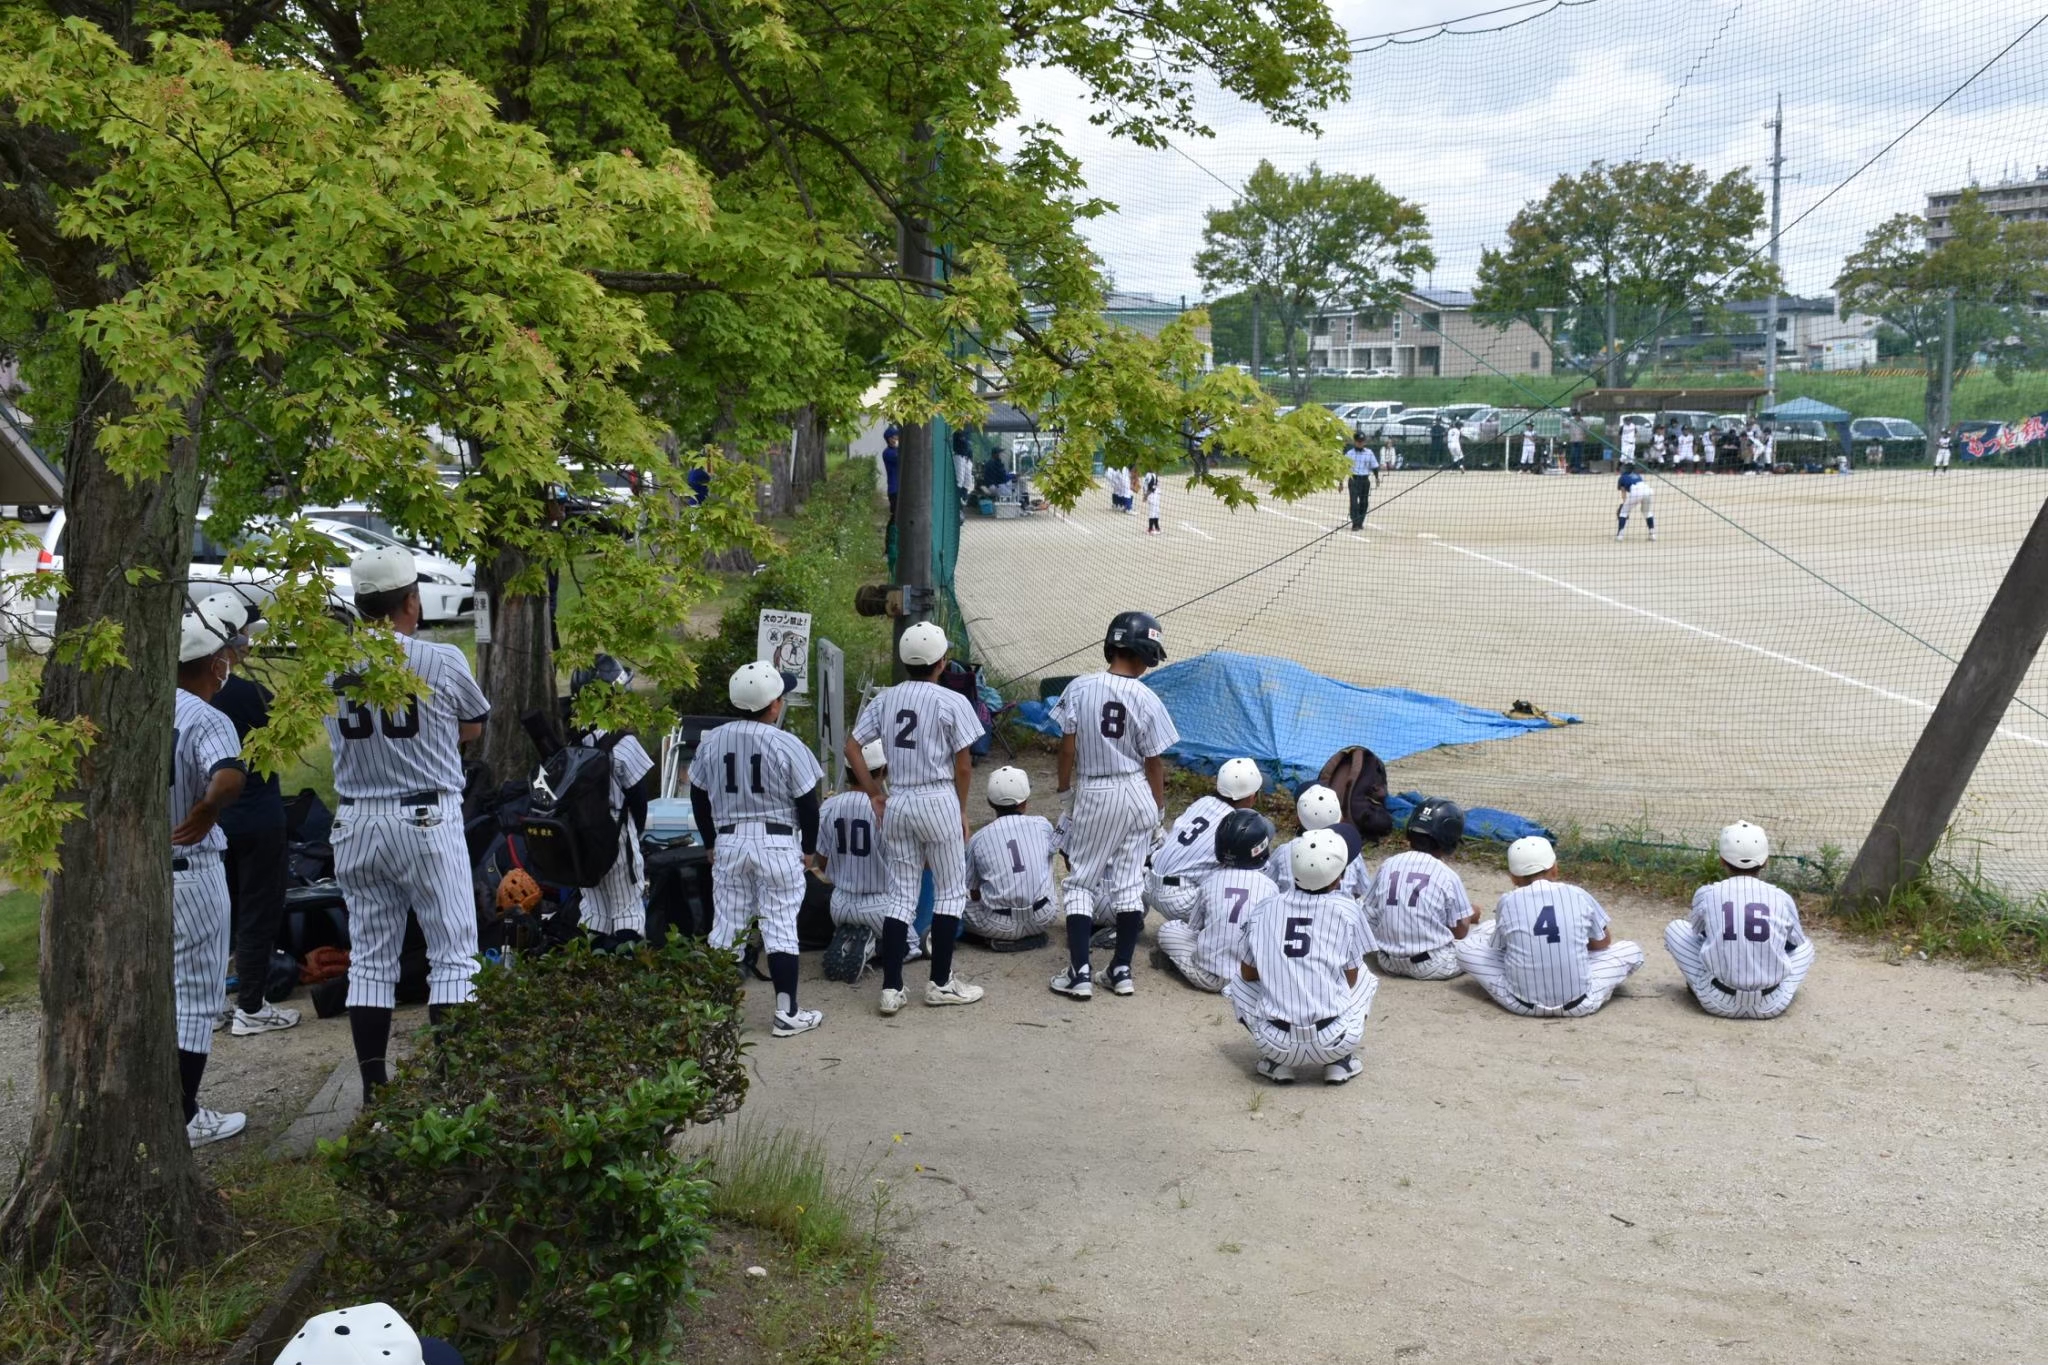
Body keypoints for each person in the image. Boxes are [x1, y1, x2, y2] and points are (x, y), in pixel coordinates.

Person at [327, 546, 490, 1103]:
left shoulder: (330, 662)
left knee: (371, 960)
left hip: (355, 818)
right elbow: (473, 727)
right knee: (452, 954)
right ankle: (452, 1087)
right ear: (410, 603)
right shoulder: (440, 659)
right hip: (424, 813)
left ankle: (375, 1091)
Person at [846, 621, 987, 1015]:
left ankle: (892, 988)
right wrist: (960, 808)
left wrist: (875, 793)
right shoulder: (951, 701)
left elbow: (852, 746)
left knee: (902, 895)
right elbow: (963, 766)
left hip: (900, 799)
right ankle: (940, 982)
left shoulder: (887, 698)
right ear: (942, 662)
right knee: (950, 891)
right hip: (937, 796)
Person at [691, 660, 825, 1036]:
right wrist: (810, 850)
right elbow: (807, 803)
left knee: (727, 928)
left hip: (730, 839)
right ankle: (786, 1014)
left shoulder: (712, 740)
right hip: (777, 841)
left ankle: (715, 1014)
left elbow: (698, 795)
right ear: (773, 705)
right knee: (780, 926)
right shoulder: (786, 742)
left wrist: (710, 841)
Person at [1051, 611, 1178, 1000]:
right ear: (1143, 654)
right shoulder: (1148, 697)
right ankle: (1121, 971)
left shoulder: (1079, 687)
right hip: (1137, 791)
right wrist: (1157, 809)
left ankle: (1079, 974)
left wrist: (1063, 789)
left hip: (1096, 791)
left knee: (1080, 883)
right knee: (1127, 885)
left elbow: (1067, 746)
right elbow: (1154, 762)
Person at [173, 599, 251, 1147]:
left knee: (154, 996)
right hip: (191, 870)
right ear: (213, 662)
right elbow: (228, 777)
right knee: (196, 1000)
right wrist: (205, 810)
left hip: (133, 874)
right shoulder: (207, 716)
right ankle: (183, 1117)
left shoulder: (136, 706)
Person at [203, 595, 297, 1038]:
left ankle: (213, 1003)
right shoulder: (252, 694)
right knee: (258, 911)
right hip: (257, 815)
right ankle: (251, 1005)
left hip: (211, 821)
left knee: (220, 913)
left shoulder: (187, 696)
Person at [1225, 829, 1377, 1085]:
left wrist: (1283, 977)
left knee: (1237, 983)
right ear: (1338, 878)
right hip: (1335, 1039)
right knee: (1364, 976)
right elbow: (1351, 979)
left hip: (1275, 1042)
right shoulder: (1347, 910)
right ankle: (1340, 1062)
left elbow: (1248, 974)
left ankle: (1277, 1064)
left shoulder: (1264, 908)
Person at [1457, 836, 1644, 1017]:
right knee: (1631, 950)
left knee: (1464, 948)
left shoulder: (1508, 900)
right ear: (1555, 869)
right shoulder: (1578, 894)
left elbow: (1500, 948)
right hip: (1581, 1004)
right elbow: (1602, 943)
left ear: (1514, 878)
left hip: (1520, 1005)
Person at [1665, 821, 1815, 1020]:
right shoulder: (1781, 897)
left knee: (1675, 928)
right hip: (1771, 1004)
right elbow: (1794, 943)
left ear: (1722, 860)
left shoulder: (1708, 893)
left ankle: (1698, 986)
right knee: (1807, 947)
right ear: (1766, 861)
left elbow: (1698, 933)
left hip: (1716, 1001)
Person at [566, 656, 655, 944]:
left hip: (580, 835)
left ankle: (593, 976)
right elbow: (639, 797)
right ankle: (623, 977)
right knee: (627, 906)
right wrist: (635, 834)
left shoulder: (572, 740)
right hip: (615, 830)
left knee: (595, 910)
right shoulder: (621, 741)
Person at [1157, 809, 1277, 992]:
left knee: (1169, 929)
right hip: (1249, 978)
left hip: (1206, 976)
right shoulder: (1270, 887)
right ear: (1260, 849)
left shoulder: (1211, 881)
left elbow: (1194, 927)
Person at [1366, 797, 1476, 980]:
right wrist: (1471, 915)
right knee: (1485, 932)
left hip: (1387, 963)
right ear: (1450, 839)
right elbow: (1460, 931)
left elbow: (1368, 914)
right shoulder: (1447, 875)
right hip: (1431, 966)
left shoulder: (1388, 865)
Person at [1146, 757, 1264, 920]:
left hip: (1147, 883)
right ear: (1252, 797)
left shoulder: (1204, 802)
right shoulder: (1235, 826)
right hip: (1179, 900)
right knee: (1241, 875)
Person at [963, 765, 1059, 949]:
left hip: (998, 925)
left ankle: (990, 940)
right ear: (1025, 801)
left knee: (951, 907)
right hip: (1044, 917)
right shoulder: (1042, 825)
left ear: (990, 803)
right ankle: (1030, 936)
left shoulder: (978, 839)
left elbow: (974, 893)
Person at [818, 739, 891, 980]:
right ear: (882, 771)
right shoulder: (887, 809)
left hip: (838, 905)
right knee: (910, 944)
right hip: (880, 906)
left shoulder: (829, 806)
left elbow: (822, 862)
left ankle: (848, 941)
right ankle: (873, 949)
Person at [1266, 784, 1371, 901]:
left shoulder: (1284, 851)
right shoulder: (1350, 850)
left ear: (1298, 819)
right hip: (1340, 913)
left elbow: (1267, 883)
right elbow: (1361, 891)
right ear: (1340, 817)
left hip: (1286, 913)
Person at [1346, 431, 1380, 530]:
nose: (1360, 443)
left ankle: (1360, 521)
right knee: (1353, 502)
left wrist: (1377, 478)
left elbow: (1374, 466)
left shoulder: (1369, 453)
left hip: (1365, 480)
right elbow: (1343, 468)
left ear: (1364, 442)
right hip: (1353, 479)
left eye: (1362, 441)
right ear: (1355, 442)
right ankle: (1355, 523)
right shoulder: (1349, 454)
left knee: (1364, 502)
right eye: (1358, 441)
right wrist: (1340, 482)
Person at [1616, 465, 1655, 541]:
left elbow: (1623, 492)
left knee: (1623, 512)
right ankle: (1652, 534)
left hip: (1636, 490)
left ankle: (1620, 535)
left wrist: (1624, 504)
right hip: (1648, 490)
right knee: (1647, 512)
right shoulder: (1637, 475)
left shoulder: (1622, 478)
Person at [881, 425, 902, 543]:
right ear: (890, 439)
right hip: (894, 490)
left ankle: (893, 542)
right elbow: (900, 458)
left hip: (898, 489)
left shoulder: (895, 451)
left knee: (897, 516)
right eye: (895, 436)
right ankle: (889, 543)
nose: (897, 438)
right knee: (895, 516)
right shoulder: (888, 453)